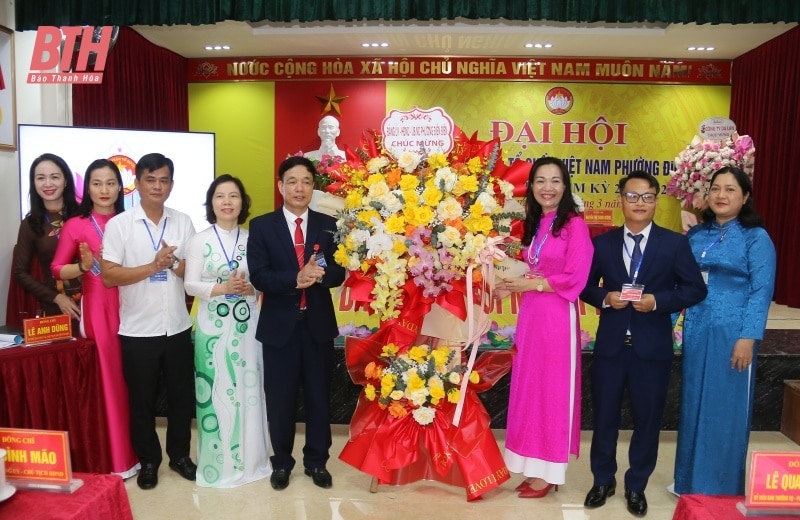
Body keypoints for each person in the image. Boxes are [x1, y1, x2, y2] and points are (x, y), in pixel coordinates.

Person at [580, 170, 707, 517]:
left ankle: (636, 485)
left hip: (652, 349)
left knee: (648, 420)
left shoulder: (674, 244)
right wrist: (605, 297)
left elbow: (696, 289)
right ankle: (602, 480)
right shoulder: (602, 243)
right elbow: (584, 285)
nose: (640, 203)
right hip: (610, 347)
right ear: (620, 199)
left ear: (655, 201)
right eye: (632, 196)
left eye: (647, 196)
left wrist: (658, 301)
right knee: (604, 417)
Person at [674, 166, 776, 496]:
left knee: (724, 405)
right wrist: (666, 323)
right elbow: (679, 282)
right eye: (716, 188)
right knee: (694, 400)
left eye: (730, 189)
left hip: (734, 332)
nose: (721, 195)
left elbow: (762, 291)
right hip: (698, 327)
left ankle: (719, 484)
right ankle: (688, 481)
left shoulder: (755, 238)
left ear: (745, 197)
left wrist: (748, 337)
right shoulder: (696, 235)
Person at [496, 157, 593, 498]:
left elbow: (575, 277)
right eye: (540, 181)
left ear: (565, 187)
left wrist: (532, 286)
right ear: (532, 186)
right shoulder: (536, 223)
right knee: (529, 389)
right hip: (532, 316)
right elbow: (531, 265)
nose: (547, 188)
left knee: (552, 392)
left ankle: (550, 471)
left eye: (555, 181)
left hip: (556, 317)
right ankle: (531, 465)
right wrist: (508, 281)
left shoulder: (574, 225)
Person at [247, 155, 346, 491]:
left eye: (306, 181)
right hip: (279, 328)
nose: (299, 187)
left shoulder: (328, 224)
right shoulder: (262, 227)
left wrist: (320, 275)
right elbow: (260, 276)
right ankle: (282, 463)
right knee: (281, 399)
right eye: (292, 181)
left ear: (313, 186)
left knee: (320, 397)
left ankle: (317, 462)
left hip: (316, 325)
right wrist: (296, 277)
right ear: (280, 186)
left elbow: (338, 272)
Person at [100, 153, 197, 490]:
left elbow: (193, 272)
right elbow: (109, 276)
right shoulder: (119, 226)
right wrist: (153, 266)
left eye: (164, 180)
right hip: (138, 330)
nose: (158, 186)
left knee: (182, 399)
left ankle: (180, 456)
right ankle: (149, 461)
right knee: (141, 402)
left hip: (178, 327)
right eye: (151, 180)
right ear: (137, 183)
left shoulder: (183, 221)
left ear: (171, 184)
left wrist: (172, 265)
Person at [50, 159, 139, 478]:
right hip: (100, 308)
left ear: (121, 187)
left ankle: (144, 451)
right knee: (112, 382)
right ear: (86, 188)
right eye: (97, 183)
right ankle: (119, 458)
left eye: (111, 183)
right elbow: (58, 269)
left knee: (136, 381)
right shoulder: (76, 224)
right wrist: (85, 267)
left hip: (135, 304)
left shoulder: (132, 220)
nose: (104, 190)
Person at [184, 174, 272, 487]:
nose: (227, 202)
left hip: (248, 326)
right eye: (220, 196)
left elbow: (265, 279)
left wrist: (250, 286)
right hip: (212, 331)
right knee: (218, 391)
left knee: (250, 393)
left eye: (233, 196)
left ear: (242, 203)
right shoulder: (200, 240)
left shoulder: (254, 238)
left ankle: (252, 463)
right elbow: (190, 283)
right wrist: (222, 287)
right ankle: (218, 467)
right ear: (211, 203)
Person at [13, 153, 81, 322]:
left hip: (93, 301)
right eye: (41, 178)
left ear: (65, 181)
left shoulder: (83, 215)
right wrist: (56, 298)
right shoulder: (30, 224)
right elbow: (20, 272)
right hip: (56, 308)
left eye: (55, 177)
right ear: (34, 183)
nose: (48, 184)